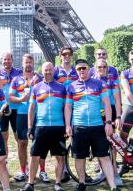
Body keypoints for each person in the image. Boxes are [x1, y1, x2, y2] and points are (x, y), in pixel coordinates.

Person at [65, 58, 118, 191]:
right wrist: (67, 125)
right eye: (79, 69)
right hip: (79, 126)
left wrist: (109, 122)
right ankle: (82, 183)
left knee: (104, 156)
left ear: (89, 69)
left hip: (97, 126)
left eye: (84, 68)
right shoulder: (71, 86)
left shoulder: (99, 84)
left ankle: (113, 186)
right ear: (76, 71)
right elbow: (68, 107)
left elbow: (107, 103)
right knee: (79, 157)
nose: (82, 70)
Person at [23, 61, 67, 191]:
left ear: (54, 71)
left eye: (50, 70)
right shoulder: (36, 88)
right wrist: (30, 127)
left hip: (58, 126)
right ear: (41, 71)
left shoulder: (61, 87)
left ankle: (57, 183)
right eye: (45, 70)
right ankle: (30, 183)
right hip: (41, 126)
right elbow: (31, 108)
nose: (48, 72)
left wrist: (66, 125)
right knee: (35, 156)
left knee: (59, 157)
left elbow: (66, 108)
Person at [9, 53, 42, 182]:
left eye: (30, 62)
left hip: (38, 113)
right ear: (22, 64)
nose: (28, 64)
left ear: (33, 63)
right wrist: (20, 99)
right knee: (22, 142)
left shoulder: (40, 78)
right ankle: (23, 170)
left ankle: (42, 170)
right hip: (22, 113)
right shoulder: (16, 79)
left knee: (39, 143)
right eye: (26, 62)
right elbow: (11, 96)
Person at [91, 58, 123, 186]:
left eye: (104, 67)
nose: (102, 69)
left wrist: (119, 116)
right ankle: (103, 170)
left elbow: (117, 99)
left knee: (112, 143)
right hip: (97, 113)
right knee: (99, 143)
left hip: (111, 112)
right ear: (95, 68)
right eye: (99, 67)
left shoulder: (112, 82)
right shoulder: (92, 82)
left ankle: (114, 172)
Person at [52, 47, 77, 183]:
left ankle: (79, 169)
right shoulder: (55, 71)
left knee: (76, 137)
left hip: (75, 106)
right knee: (62, 139)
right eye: (64, 54)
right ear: (60, 55)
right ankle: (64, 170)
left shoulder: (76, 70)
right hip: (60, 108)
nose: (67, 56)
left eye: (69, 54)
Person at [0, 52, 22, 163]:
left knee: (18, 137)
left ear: (12, 60)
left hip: (16, 107)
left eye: (9, 59)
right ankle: (4, 161)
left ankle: (23, 164)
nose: (7, 61)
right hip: (2, 108)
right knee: (3, 136)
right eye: (5, 59)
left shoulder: (19, 72)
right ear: (2, 61)